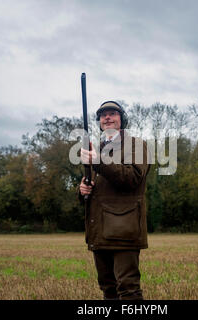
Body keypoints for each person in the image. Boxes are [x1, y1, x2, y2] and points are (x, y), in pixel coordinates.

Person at [78, 101, 151, 300]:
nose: (107, 117)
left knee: (128, 289)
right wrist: (83, 189)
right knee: (108, 290)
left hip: (124, 230)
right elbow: (95, 187)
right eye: (103, 115)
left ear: (122, 119)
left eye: (112, 114)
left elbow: (132, 178)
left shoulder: (136, 145)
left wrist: (98, 162)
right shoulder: (99, 150)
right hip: (100, 231)